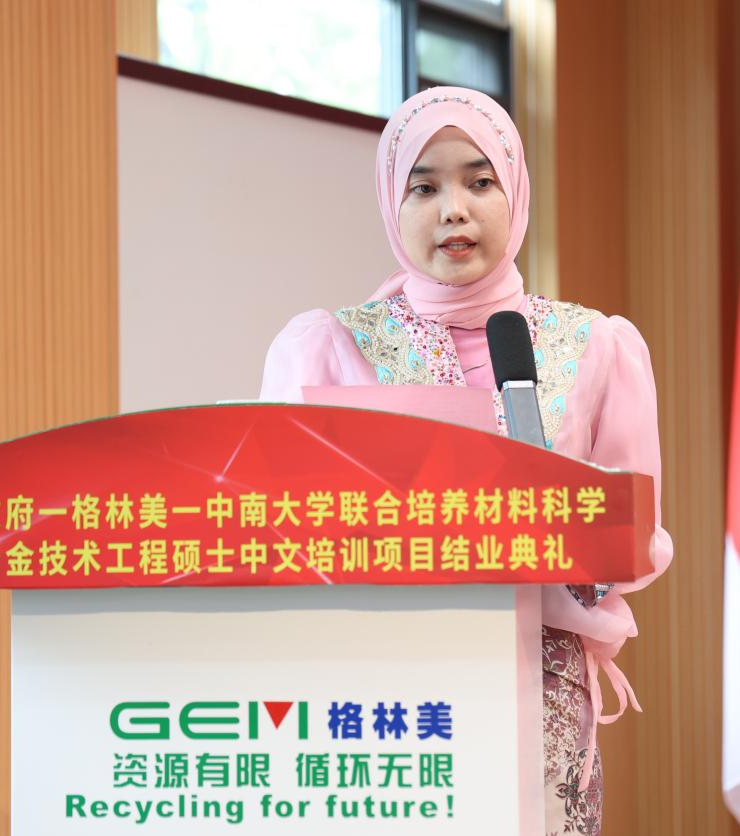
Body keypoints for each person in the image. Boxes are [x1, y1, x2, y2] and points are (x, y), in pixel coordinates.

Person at [260, 86, 673, 836]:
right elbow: (276, 530)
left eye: (479, 181)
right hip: (383, 697)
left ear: (514, 191)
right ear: (392, 205)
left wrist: (580, 543)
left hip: (539, 692)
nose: (455, 209)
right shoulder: (329, 347)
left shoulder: (594, 345)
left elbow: (636, 532)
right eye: (424, 188)